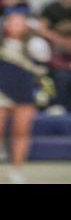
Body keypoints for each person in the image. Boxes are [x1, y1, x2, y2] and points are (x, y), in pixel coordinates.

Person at [1, 13, 52, 184]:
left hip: (24, 91)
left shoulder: (35, 44)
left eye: (20, 23)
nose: (16, 26)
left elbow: (44, 65)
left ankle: (17, 170)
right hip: (1, 91)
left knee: (22, 132)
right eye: (12, 22)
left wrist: (40, 34)